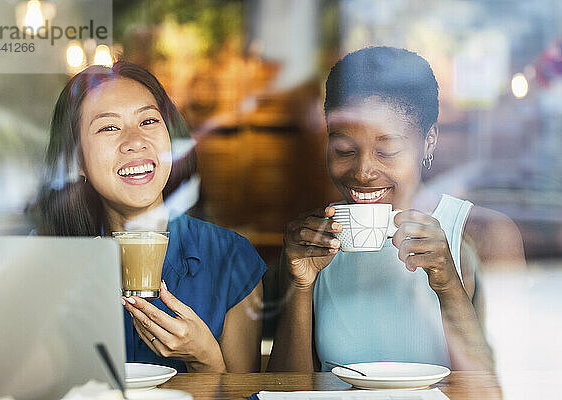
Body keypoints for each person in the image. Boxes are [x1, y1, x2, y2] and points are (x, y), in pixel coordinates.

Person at [267, 47, 525, 372]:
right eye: (343, 149)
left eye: (386, 150)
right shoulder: (317, 239)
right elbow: (288, 391)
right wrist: (300, 285)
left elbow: (497, 390)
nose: (362, 172)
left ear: (429, 140)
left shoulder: (481, 234)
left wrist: (447, 283)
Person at [31, 61, 266, 373]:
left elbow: (243, 394)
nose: (135, 141)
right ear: (77, 161)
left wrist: (204, 358)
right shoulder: (42, 262)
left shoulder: (230, 258)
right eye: (109, 127)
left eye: (148, 121)